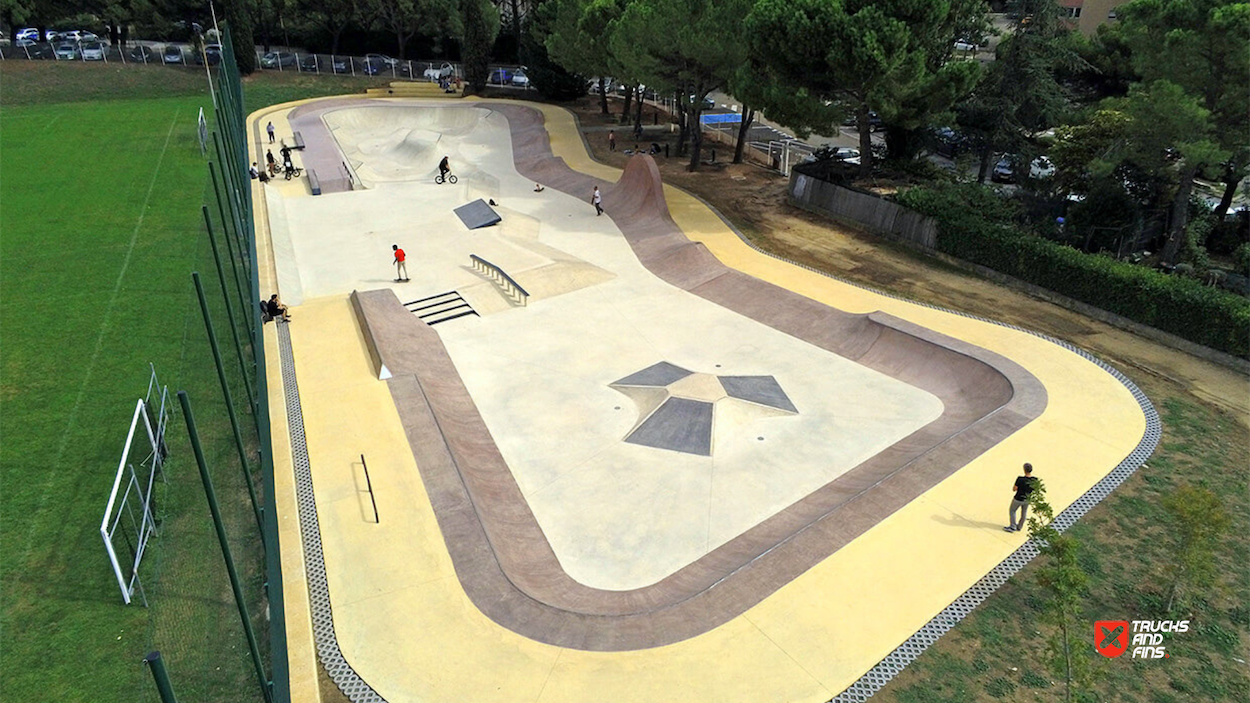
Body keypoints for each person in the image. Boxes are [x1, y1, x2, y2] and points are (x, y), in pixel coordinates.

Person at [1004, 463, 1036, 532]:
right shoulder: (1034, 480)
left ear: (1024, 470)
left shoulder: (1020, 479)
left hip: (1018, 498)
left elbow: (1014, 489)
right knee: (1024, 513)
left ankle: (1013, 526)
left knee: (1012, 511)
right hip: (1027, 499)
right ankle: (1019, 526)